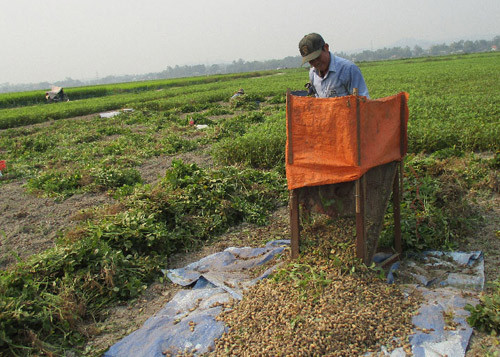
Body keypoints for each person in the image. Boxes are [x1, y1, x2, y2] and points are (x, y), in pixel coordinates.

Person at [299, 33, 369, 98]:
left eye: (317, 57)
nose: (315, 63)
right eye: (310, 60)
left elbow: (362, 102)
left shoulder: (348, 69)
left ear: (326, 48)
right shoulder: (312, 74)